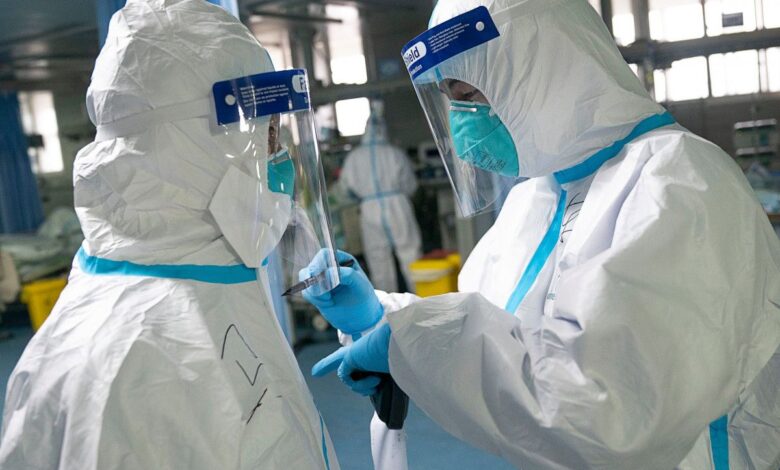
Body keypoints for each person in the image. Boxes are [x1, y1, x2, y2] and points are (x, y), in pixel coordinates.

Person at [305, 0, 780, 469]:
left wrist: (412, 343)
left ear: (546, 69)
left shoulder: (679, 182)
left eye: (469, 94)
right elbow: (507, 332)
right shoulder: (539, 195)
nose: (461, 119)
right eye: (451, 99)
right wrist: (387, 317)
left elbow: (605, 417)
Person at [0, 1, 338, 469]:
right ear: (201, 149)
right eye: (268, 134)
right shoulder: (142, 370)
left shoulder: (190, 285)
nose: (277, 155)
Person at [340, 107, 422, 293]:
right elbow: (410, 184)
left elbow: (345, 189)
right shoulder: (395, 153)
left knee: (378, 259)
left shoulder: (354, 157)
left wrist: (361, 197)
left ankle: (387, 302)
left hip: (369, 208)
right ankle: (420, 298)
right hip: (397, 204)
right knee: (410, 253)